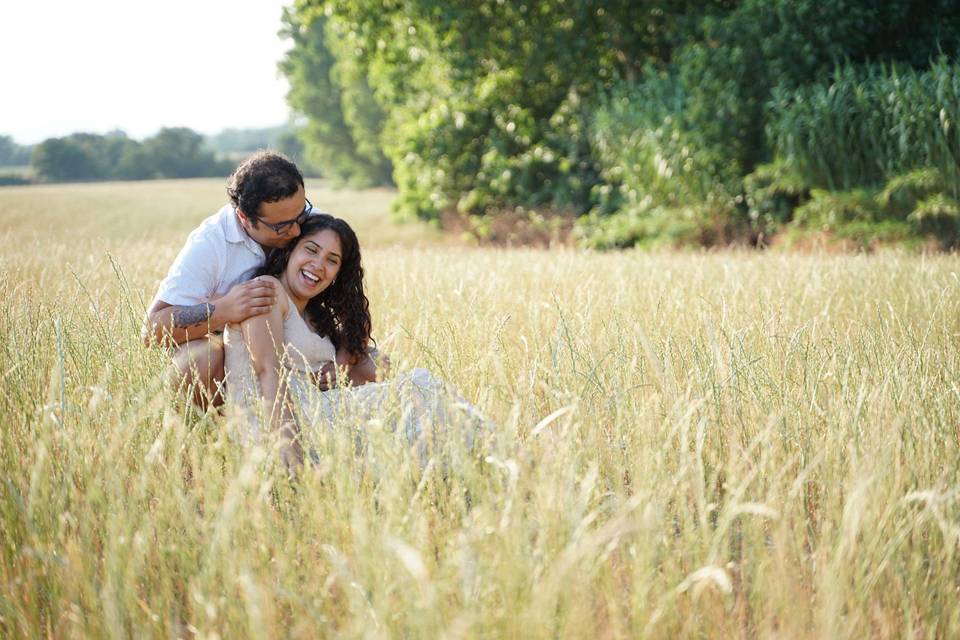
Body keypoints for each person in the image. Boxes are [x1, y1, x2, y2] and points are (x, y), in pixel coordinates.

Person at [223, 214, 485, 465]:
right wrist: (290, 453)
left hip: (318, 414)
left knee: (424, 399)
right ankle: (499, 454)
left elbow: (373, 360)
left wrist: (341, 367)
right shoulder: (267, 291)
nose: (318, 265)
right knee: (422, 386)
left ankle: (484, 459)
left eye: (332, 260)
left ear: (338, 272)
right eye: (311, 250)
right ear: (290, 250)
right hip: (279, 424)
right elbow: (267, 371)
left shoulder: (314, 316)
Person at [141, 151, 380, 408]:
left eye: (301, 215)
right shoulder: (210, 243)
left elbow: (354, 303)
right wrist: (224, 309)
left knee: (374, 365)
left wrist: (343, 360)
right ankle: (227, 428)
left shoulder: (310, 224)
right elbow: (152, 331)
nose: (298, 230)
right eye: (282, 226)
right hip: (234, 359)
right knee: (201, 357)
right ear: (244, 218)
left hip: (298, 349)